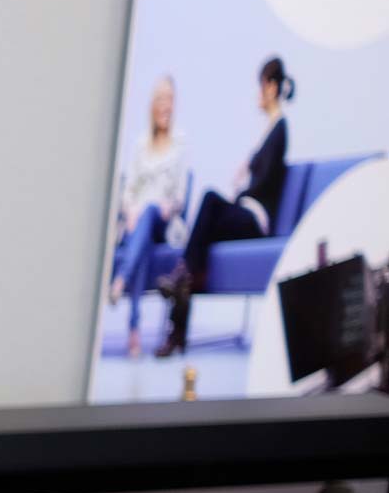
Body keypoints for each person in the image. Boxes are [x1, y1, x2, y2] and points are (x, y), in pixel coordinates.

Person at [161, 57, 295, 356]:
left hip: (255, 218)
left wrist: (241, 189)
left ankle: (180, 296)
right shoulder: (268, 131)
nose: (258, 94)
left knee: (209, 200)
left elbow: (266, 184)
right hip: (245, 211)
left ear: (271, 88)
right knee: (199, 246)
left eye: (260, 87)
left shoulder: (280, 128)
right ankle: (177, 331)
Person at [106, 75, 186, 359]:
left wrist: (169, 206)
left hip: (163, 220)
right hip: (138, 221)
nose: (167, 106)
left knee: (150, 212)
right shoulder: (140, 145)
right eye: (162, 99)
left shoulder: (179, 143)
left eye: (171, 100)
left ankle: (120, 280)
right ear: (153, 105)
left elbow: (180, 196)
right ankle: (134, 332)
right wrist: (129, 210)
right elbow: (128, 191)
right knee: (143, 244)